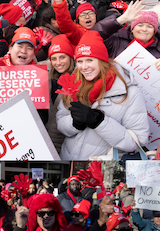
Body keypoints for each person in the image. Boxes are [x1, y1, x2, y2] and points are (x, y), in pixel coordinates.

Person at [55, 31, 149, 160]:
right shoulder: (74, 84)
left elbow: (136, 143)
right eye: (80, 61)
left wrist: (99, 122)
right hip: (69, 157)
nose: (84, 67)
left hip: (103, 163)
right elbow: (60, 122)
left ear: (101, 60)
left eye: (89, 60)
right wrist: (75, 123)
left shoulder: (129, 92)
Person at [5, 193, 77, 231]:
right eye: (41, 213)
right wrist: (20, 226)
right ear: (35, 216)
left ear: (56, 215)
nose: (46, 216)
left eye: (50, 213)